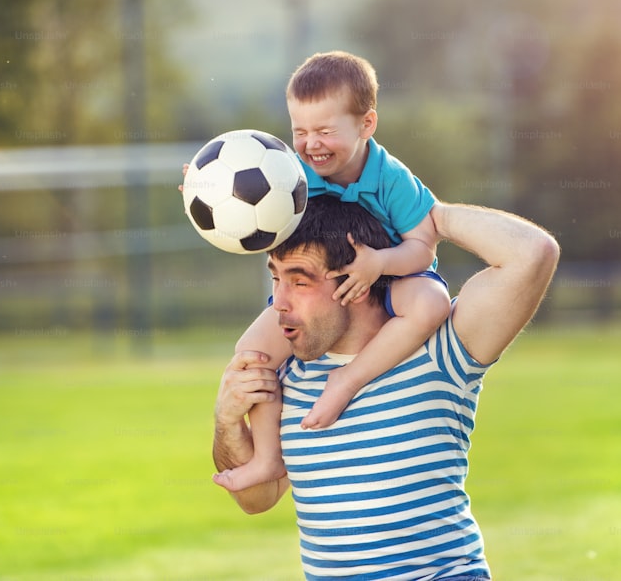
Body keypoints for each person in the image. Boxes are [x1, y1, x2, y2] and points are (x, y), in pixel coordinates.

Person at [213, 194, 559, 580]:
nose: (278, 302)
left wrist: (429, 214)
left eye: (300, 281)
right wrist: (227, 423)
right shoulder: (285, 373)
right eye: (276, 277)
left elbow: (533, 252)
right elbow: (256, 499)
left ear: (357, 284)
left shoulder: (441, 349)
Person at [212, 50, 452, 493]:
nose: (311, 144)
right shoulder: (293, 169)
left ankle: (347, 380)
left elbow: (423, 244)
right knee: (251, 355)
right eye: (300, 131)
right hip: (322, 280)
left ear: (367, 125)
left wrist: (379, 263)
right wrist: (209, 187)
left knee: (433, 302)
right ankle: (267, 459)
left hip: (391, 278)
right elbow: (245, 183)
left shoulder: (392, 178)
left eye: (325, 131)